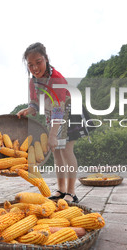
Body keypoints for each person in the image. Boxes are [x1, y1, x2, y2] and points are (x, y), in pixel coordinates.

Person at [17, 42, 89, 203]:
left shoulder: (56, 78)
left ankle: (71, 192)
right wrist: (28, 110)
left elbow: (59, 109)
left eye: (38, 62)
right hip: (54, 114)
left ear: (46, 59)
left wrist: (52, 135)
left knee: (66, 150)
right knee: (56, 152)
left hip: (69, 110)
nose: (35, 67)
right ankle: (61, 190)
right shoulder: (33, 82)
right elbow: (35, 104)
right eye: (30, 64)